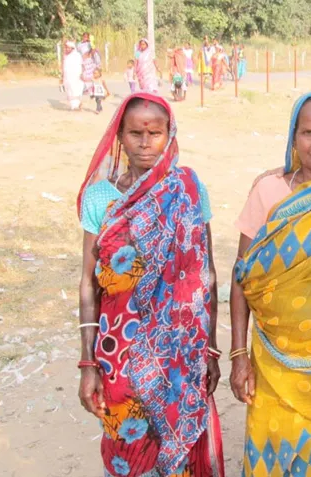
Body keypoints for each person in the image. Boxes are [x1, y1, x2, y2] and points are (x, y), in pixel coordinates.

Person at [76, 93, 224, 476]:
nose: (145, 142)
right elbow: (89, 285)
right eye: (135, 133)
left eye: (155, 132)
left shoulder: (188, 188)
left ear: (169, 135)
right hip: (119, 353)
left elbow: (206, 273)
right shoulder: (101, 198)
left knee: (180, 451)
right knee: (128, 446)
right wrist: (88, 363)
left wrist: (210, 349)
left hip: (182, 351)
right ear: (119, 137)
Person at [228, 92, 311, 476]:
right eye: (309, 133)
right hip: (271, 363)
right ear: (293, 137)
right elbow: (242, 277)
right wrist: (239, 356)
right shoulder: (268, 191)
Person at [61, 41, 84, 111]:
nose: (67, 49)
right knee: (69, 90)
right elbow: (64, 66)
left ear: (72, 48)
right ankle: (75, 105)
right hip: (67, 77)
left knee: (75, 90)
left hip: (75, 76)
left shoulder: (77, 55)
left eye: (68, 48)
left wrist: (81, 74)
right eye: (66, 48)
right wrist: (62, 75)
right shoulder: (65, 56)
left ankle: (76, 105)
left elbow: (81, 65)